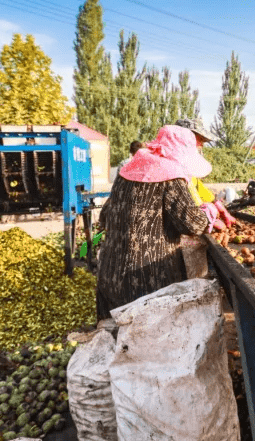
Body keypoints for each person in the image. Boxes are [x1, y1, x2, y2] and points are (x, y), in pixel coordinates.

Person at [95, 125, 225, 320]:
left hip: (110, 272)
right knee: (148, 339)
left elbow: (104, 215)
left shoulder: (127, 171)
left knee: (116, 338)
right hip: (147, 278)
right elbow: (193, 224)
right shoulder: (170, 174)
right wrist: (210, 210)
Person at [175, 117, 236, 228]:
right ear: (186, 138)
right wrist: (208, 220)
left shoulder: (187, 166)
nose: (201, 145)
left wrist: (222, 210)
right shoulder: (172, 166)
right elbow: (185, 200)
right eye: (200, 139)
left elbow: (199, 189)